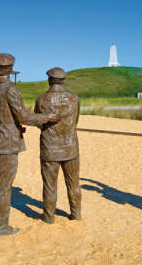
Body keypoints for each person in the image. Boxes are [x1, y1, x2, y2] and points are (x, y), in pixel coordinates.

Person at [0, 53, 61, 236]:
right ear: (11, 69)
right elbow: (25, 117)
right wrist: (47, 117)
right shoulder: (11, 90)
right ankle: (2, 226)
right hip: (8, 146)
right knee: (5, 186)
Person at [34, 67, 81, 224]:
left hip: (50, 148)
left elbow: (38, 122)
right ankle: (76, 214)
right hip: (70, 147)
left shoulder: (41, 100)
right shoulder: (74, 98)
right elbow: (75, 121)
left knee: (49, 185)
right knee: (73, 182)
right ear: (64, 80)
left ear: (49, 80)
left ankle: (49, 217)